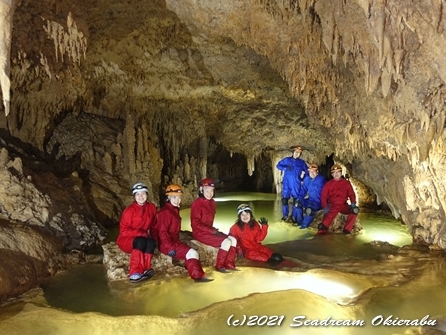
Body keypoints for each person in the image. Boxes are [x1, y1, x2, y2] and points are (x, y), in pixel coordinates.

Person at [155, 184, 213, 283]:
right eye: (174, 197)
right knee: (192, 252)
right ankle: (197, 277)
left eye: (178, 197)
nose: (177, 200)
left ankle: (197, 273)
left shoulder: (173, 209)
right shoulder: (165, 212)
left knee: (192, 251)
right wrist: (169, 247)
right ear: (168, 197)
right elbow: (162, 232)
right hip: (167, 245)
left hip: (174, 241)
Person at [190, 178, 238, 272]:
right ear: (201, 190)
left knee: (233, 239)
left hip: (210, 230)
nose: (209, 193)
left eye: (211, 190)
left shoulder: (212, 203)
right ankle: (219, 265)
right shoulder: (196, 204)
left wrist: (212, 230)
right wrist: (211, 231)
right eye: (207, 190)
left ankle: (229, 263)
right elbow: (195, 224)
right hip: (200, 233)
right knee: (226, 242)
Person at [117, 182, 157, 283]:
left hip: (142, 237)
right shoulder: (129, 211)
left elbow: (154, 225)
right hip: (126, 239)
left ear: (147, 195)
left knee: (151, 242)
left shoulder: (151, 207)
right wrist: (141, 234)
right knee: (141, 241)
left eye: (143, 193)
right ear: (134, 196)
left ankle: (146, 268)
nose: (141, 196)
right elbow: (124, 231)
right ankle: (134, 272)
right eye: (137, 194)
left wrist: (156, 238)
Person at [317, 164, 359, 235]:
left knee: (355, 210)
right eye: (334, 172)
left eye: (338, 172)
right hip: (332, 205)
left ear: (341, 173)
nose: (336, 174)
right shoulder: (328, 184)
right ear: (332, 174)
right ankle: (321, 233)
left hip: (343, 205)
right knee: (324, 223)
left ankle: (347, 230)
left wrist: (353, 203)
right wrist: (325, 207)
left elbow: (351, 194)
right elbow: (323, 196)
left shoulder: (346, 183)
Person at [276, 145, 308, 223]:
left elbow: (307, 172)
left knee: (295, 200)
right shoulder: (287, 160)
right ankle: (285, 215)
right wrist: (285, 168)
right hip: (287, 183)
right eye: (296, 152)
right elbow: (278, 165)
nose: (297, 154)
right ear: (293, 152)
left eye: (299, 153)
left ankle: (293, 216)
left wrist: (303, 179)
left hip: (296, 184)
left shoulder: (302, 163)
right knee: (284, 199)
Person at [294, 163, 326, 229]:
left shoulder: (321, 179)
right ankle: (300, 222)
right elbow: (303, 190)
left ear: (317, 171)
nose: (312, 173)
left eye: (313, 171)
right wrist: (299, 199)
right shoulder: (307, 179)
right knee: (297, 204)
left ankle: (303, 227)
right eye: (310, 171)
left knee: (309, 210)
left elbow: (324, 193)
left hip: (318, 202)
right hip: (310, 200)